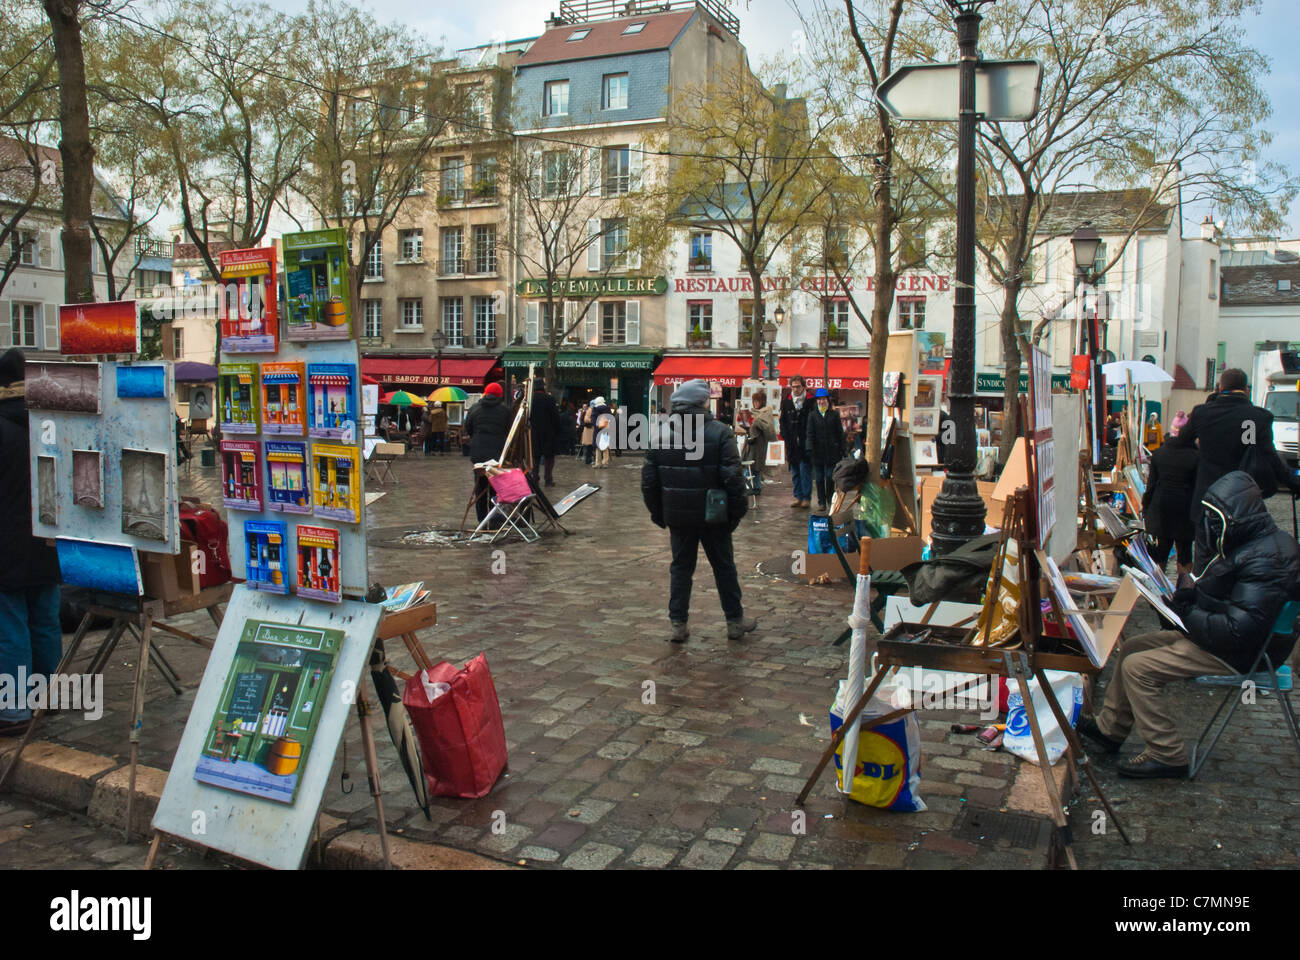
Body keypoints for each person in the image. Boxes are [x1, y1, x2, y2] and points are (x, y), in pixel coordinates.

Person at [1079, 471, 1300, 778]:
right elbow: (1231, 601)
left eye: (1214, 520)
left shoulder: (1265, 559)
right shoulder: (1258, 543)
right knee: (1132, 647)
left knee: (1138, 667)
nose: (1208, 528)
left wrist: (1186, 614)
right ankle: (1109, 729)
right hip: (1236, 640)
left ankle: (1167, 753)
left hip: (1243, 651)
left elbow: (1238, 629)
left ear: (1233, 518)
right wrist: (1189, 599)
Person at [641, 379, 755, 643]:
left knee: (681, 569)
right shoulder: (720, 432)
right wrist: (737, 513)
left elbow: (649, 483)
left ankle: (678, 624)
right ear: (703, 402)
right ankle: (734, 621)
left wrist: (660, 514)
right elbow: (733, 479)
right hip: (715, 516)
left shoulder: (660, 433)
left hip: (679, 517)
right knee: (724, 568)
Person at [0, 348, 63, 736]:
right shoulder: (51, 424)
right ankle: (50, 697)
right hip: (49, 542)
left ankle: (13, 711)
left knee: (10, 625)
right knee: (44, 619)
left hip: (7, 544)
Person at [1179, 367, 1300, 526]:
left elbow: (1182, 442)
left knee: (1206, 546)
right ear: (1246, 390)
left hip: (1207, 495)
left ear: (1221, 388)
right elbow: (1270, 457)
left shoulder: (1202, 413)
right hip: (1242, 497)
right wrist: (1293, 483)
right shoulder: (1258, 417)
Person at [1141, 431, 1198, 577]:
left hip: (1162, 508)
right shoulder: (1197, 456)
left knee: (1161, 551)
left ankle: (1159, 591)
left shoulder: (1159, 454)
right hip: (1185, 509)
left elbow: (1151, 486)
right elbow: (1199, 487)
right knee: (1185, 552)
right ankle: (1183, 590)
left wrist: (1146, 510)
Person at [464, 382, 512, 526]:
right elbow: (508, 430)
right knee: (495, 486)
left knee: (479, 486)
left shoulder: (475, 408)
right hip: (497, 451)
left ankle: (482, 519)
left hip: (478, 451)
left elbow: (469, 428)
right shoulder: (505, 411)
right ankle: (494, 517)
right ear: (500, 395)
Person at [804, 387, 845, 512]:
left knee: (830, 476)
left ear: (827, 400)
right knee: (820, 478)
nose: (821, 402)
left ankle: (829, 498)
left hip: (832, 452)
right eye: (819, 400)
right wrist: (809, 447)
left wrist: (843, 449)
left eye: (823, 399)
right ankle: (821, 501)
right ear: (817, 401)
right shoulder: (813, 415)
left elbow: (840, 433)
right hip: (818, 453)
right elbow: (809, 433)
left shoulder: (834, 415)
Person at [780, 375, 813, 508]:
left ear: (803, 387)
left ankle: (806, 497)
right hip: (792, 442)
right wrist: (785, 436)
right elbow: (783, 421)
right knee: (794, 471)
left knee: (805, 470)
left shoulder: (811, 401)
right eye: (793, 387)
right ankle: (798, 496)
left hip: (805, 441)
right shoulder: (787, 401)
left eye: (798, 386)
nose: (795, 389)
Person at [740, 390, 777, 495]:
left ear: (762, 402)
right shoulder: (753, 413)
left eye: (757, 401)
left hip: (759, 444)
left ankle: (751, 487)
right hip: (751, 443)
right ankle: (755, 487)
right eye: (754, 401)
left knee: (754, 467)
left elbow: (768, 428)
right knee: (751, 466)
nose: (755, 403)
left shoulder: (766, 413)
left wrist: (757, 422)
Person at [529, 378, 562, 486]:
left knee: (535, 458)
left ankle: (535, 478)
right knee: (549, 458)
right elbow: (556, 417)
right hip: (548, 433)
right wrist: (557, 431)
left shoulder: (530, 400)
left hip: (534, 432)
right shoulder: (549, 399)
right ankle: (548, 479)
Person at [588, 395, 612, 469]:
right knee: (605, 447)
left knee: (597, 447)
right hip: (605, 429)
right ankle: (605, 462)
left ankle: (598, 463)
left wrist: (597, 425)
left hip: (598, 430)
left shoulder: (595, 409)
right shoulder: (607, 409)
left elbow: (593, 420)